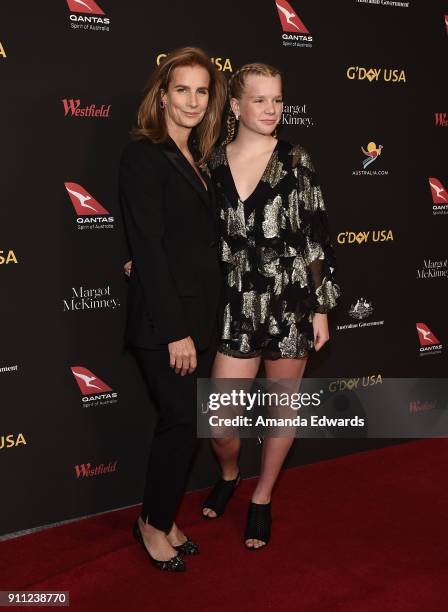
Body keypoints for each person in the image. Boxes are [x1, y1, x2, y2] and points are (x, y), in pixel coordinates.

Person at [201, 63, 341, 549]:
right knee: (220, 423)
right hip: (237, 302)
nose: (271, 109)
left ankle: (262, 496)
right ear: (236, 106)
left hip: (291, 300)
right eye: (259, 100)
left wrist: (320, 308)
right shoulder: (212, 162)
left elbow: (315, 237)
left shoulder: (296, 159)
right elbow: (198, 234)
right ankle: (232, 472)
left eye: (278, 100)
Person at [119, 47, 225, 572]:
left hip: (195, 318)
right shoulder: (144, 154)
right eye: (181, 89)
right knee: (182, 423)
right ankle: (151, 525)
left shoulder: (196, 159)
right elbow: (149, 248)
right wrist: (176, 331)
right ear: (162, 95)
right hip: (166, 325)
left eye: (201, 91)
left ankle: (163, 515)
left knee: (185, 424)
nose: (191, 100)